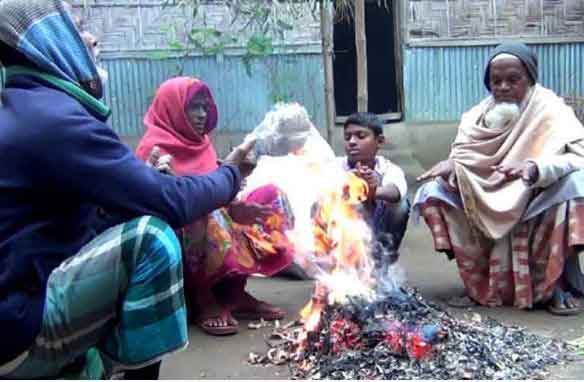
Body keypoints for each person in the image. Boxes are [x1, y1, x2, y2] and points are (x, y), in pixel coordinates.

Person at [0, 0, 253, 379]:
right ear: (54, 41)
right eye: (81, 29)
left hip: (15, 308)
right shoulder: (53, 120)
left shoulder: (23, 108)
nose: (93, 39)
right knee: (151, 238)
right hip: (15, 330)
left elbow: (82, 224)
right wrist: (232, 173)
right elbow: (173, 202)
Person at [415, 42, 584, 315]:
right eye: (496, 81)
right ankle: (479, 286)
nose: (503, 87)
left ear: (529, 79)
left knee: (577, 185)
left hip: (537, 197)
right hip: (486, 197)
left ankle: (554, 286)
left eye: (513, 80)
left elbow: (579, 158)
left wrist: (536, 169)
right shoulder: (475, 118)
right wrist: (452, 167)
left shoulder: (552, 112)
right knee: (432, 192)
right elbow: (463, 159)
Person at [136, 77, 295, 336]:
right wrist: (224, 206)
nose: (201, 115)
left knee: (272, 196)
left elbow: (218, 191)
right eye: (193, 107)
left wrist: (235, 207)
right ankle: (202, 297)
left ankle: (234, 293)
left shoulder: (202, 144)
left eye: (204, 107)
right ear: (172, 108)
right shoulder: (153, 150)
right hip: (179, 241)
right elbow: (175, 203)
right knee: (199, 211)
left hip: (214, 223)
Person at [337, 112, 410, 267]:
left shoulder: (388, 169)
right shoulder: (335, 167)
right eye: (347, 137)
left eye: (360, 136)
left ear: (380, 141)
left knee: (401, 206)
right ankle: (342, 263)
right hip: (343, 240)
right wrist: (350, 184)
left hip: (378, 234)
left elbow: (396, 191)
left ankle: (385, 260)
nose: (352, 142)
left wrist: (371, 190)